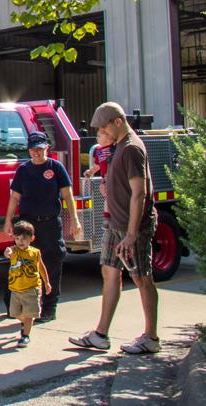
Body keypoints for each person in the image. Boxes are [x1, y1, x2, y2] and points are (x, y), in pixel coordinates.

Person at [69, 102, 160, 354]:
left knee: (142, 278)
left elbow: (139, 193)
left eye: (105, 127)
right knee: (109, 273)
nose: (103, 132)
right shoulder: (119, 146)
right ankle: (100, 334)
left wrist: (131, 234)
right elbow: (122, 182)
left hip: (133, 227)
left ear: (118, 122)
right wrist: (108, 187)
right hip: (114, 222)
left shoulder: (131, 148)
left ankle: (151, 338)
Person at [3, 131, 83, 322]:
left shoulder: (56, 168)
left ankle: (49, 309)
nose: (36, 153)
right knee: (20, 264)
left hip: (50, 224)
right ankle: (14, 307)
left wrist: (75, 220)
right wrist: (8, 220)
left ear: (47, 147)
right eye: (33, 149)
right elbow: (15, 197)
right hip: (28, 224)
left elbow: (67, 195)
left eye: (39, 149)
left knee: (51, 265)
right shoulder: (23, 170)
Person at [4, 220, 52, 347]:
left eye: (24, 239)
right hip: (15, 289)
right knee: (14, 313)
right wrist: (7, 253)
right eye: (17, 238)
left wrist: (47, 282)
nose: (20, 241)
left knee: (30, 314)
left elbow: (41, 267)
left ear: (32, 238)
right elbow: (8, 252)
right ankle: (26, 324)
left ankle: (25, 335)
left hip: (32, 288)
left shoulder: (35, 252)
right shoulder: (14, 250)